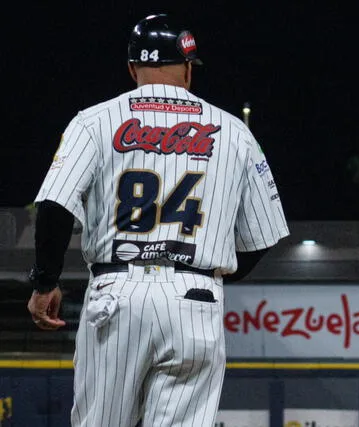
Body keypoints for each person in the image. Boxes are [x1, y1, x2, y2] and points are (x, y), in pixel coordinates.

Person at [26, 13, 289, 427]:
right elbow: (262, 238)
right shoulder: (234, 131)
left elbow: (54, 207)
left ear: (132, 68)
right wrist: (207, 278)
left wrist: (45, 283)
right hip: (195, 298)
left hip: (117, 292)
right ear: (187, 68)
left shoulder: (95, 120)